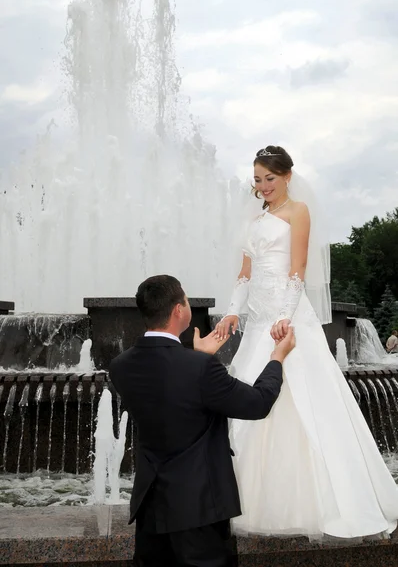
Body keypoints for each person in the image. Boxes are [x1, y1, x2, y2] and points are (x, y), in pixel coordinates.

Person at [215, 145, 398, 541]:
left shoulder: (298, 212)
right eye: (258, 180)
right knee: (249, 400)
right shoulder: (252, 221)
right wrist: (232, 311)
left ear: (287, 176)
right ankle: (245, 502)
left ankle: (322, 503)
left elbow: (297, 269)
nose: (263, 186)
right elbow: (245, 275)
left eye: (270, 178)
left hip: (288, 317)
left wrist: (285, 316)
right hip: (258, 323)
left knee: (305, 404)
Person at [109, 274, 296, 567]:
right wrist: (277, 358)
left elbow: (169, 397)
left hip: (150, 510)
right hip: (199, 511)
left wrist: (196, 356)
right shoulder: (200, 368)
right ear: (178, 311)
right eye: (185, 299)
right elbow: (258, 403)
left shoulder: (120, 366)